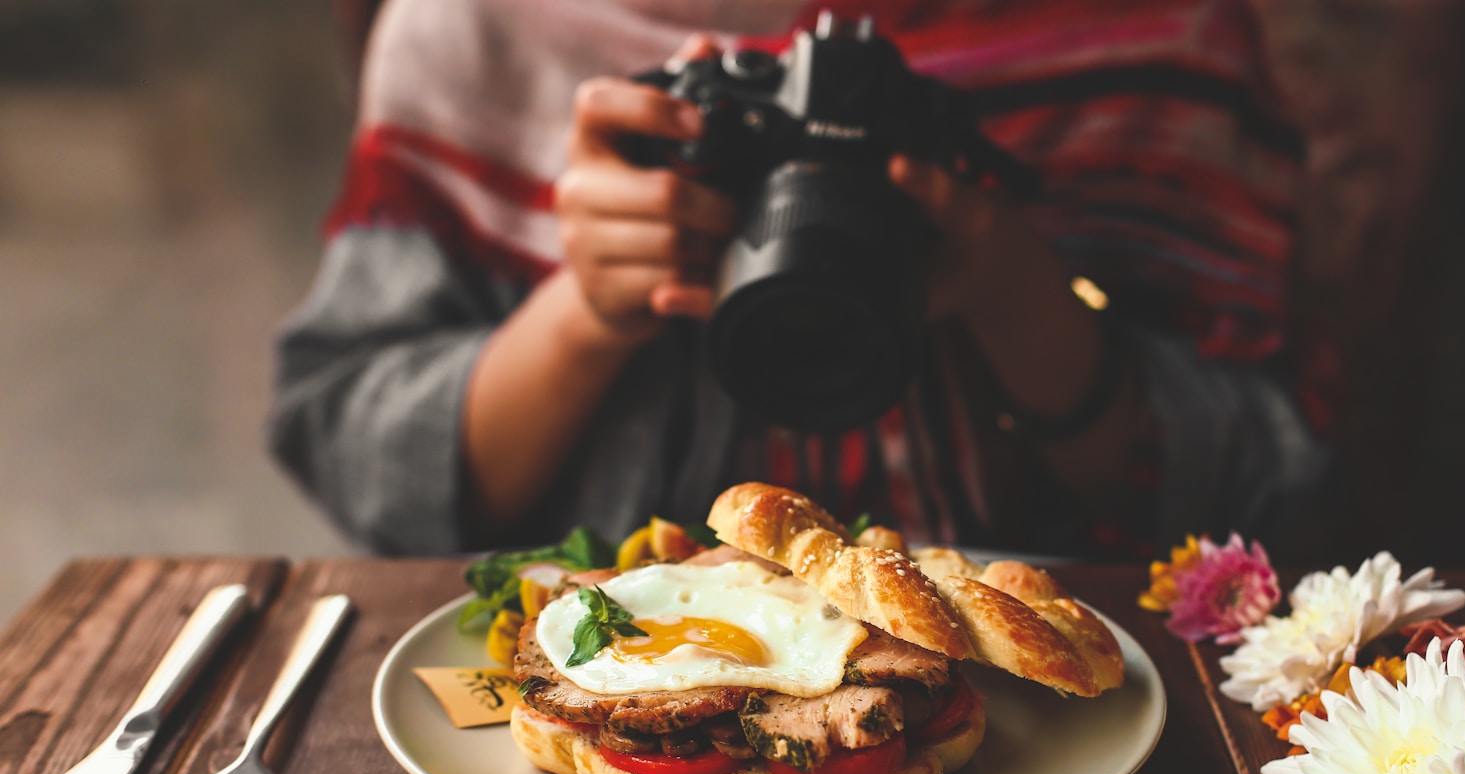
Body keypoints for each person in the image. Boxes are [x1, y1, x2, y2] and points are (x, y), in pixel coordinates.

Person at [269, 0, 1326, 559]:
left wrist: (1020, 299)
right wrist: (580, 317)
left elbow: (1262, 504)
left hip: (1031, 715)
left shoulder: (1152, 35)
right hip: (605, 692)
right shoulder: (479, 27)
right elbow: (358, 457)